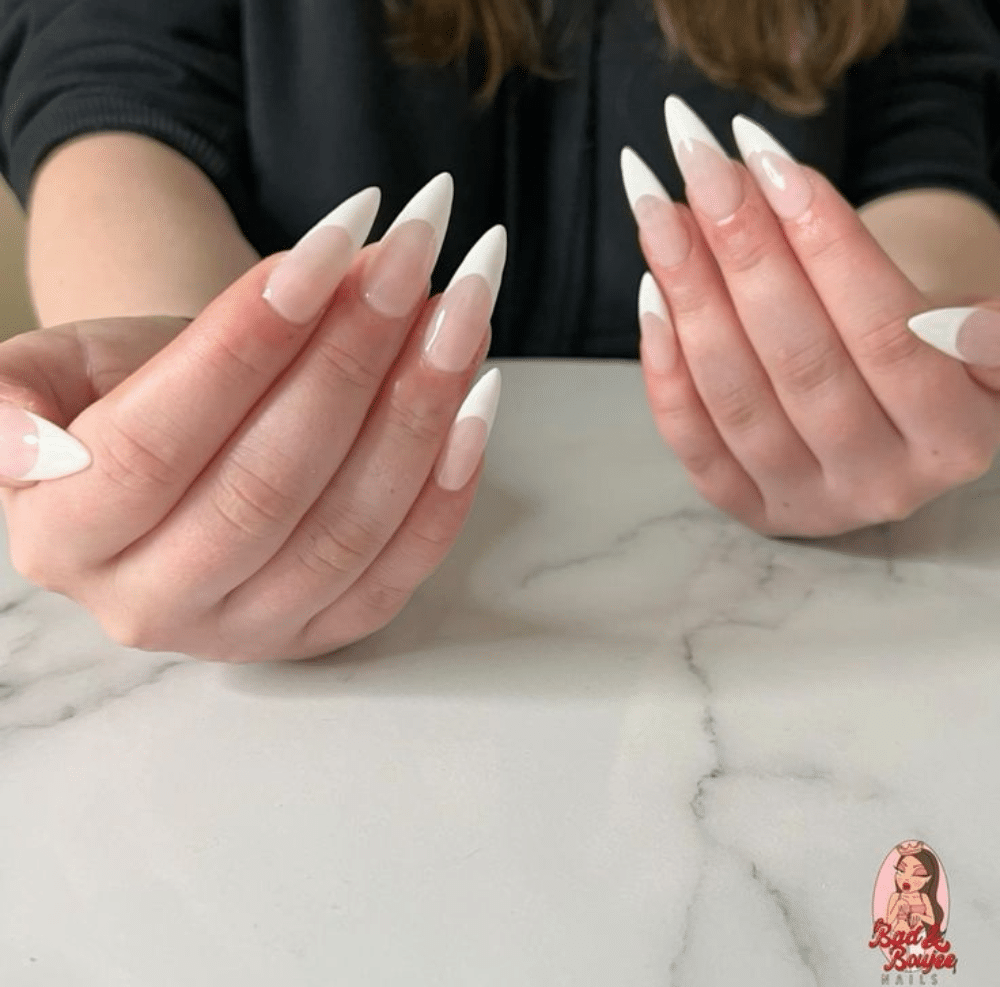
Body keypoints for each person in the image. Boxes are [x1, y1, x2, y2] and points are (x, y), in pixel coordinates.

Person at [0, 0, 999, 662]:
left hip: (758, 636)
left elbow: (932, 124)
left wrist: (889, 351)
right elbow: (110, 84)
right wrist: (185, 385)